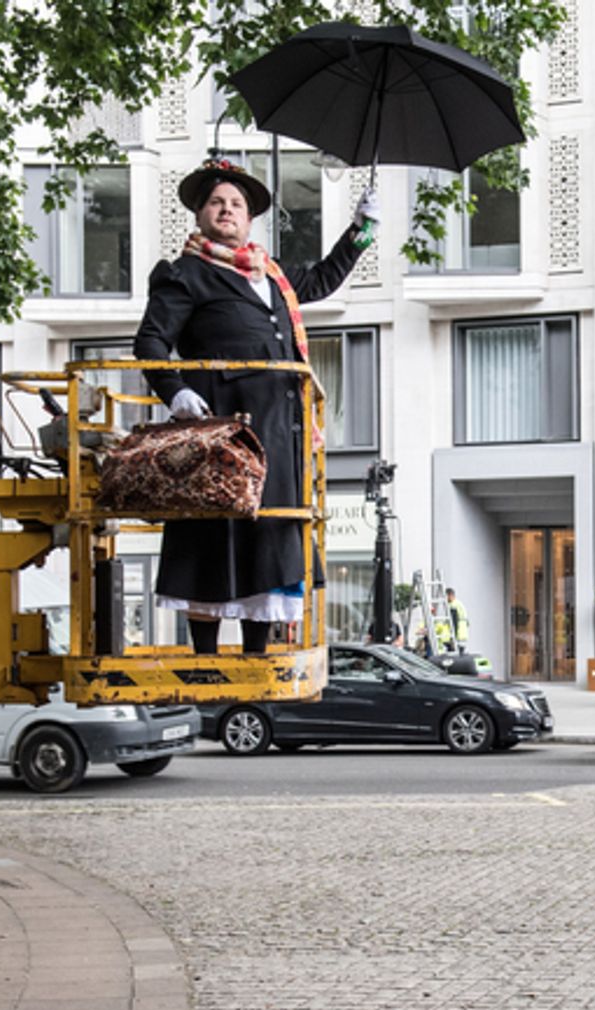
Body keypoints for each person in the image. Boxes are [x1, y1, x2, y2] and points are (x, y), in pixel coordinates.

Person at [134, 157, 379, 653]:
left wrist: (362, 227)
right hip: (222, 426)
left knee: (268, 534)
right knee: (212, 537)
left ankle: (257, 652)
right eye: (217, 203)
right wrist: (177, 391)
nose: (227, 210)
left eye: (237, 205)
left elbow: (325, 279)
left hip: (278, 430)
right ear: (201, 214)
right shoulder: (183, 273)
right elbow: (151, 342)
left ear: (249, 219)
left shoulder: (271, 274)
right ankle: (204, 656)